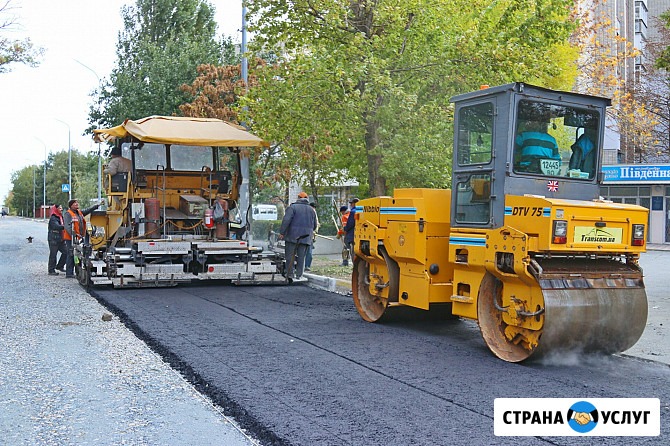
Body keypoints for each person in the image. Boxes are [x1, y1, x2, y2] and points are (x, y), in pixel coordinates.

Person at [279, 192, 317, 282]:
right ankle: (299, 275)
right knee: (301, 257)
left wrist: (282, 232)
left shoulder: (292, 207)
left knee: (290, 256)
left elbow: (286, 220)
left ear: (298, 197)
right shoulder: (312, 210)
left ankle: (290, 274)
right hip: (306, 237)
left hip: (292, 236)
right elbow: (315, 225)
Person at [63, 199, 101, 278]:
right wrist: (74, 237)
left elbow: (87, 211)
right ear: (71, 205)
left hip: (79, 237)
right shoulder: (68, 214)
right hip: (71, 238)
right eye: (75, 203)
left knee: (78, 254)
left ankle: (76, 271)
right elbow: (67, 227)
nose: (77, 204)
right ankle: (69, 273)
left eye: (77, 202)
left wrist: (96, 206)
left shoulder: (79, 212)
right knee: (71, 254)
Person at [47, 204, 67, 275]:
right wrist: (65, 227)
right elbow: (56, 226)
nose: (61, 209)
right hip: (53, 240)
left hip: (61, 239)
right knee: (53, 255)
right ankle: (51, 270)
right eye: (60, 208)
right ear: (56, 209)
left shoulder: (61, 217)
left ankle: (60, 266)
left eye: (62, 208)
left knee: (66, 252)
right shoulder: (53, 218)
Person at [304, 202, 320, 271]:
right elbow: (316, 224)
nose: (314, 209)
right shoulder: (311, 212)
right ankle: (306, 266)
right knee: (307, 251)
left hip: (309, 235)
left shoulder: (312, 212)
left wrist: (314, 232)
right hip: (308, 235)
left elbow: (316, 224)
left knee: (308, 251)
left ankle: (307, 266)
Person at [343, 198, 359, 265]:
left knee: (352, 250)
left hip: (352, 234)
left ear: (354, 203)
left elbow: (350, 223)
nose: (351, 205)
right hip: (359, 234)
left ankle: (353, 263)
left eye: (351, 203)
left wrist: (345, 228)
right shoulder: (363, 210)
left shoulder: (353, 212)